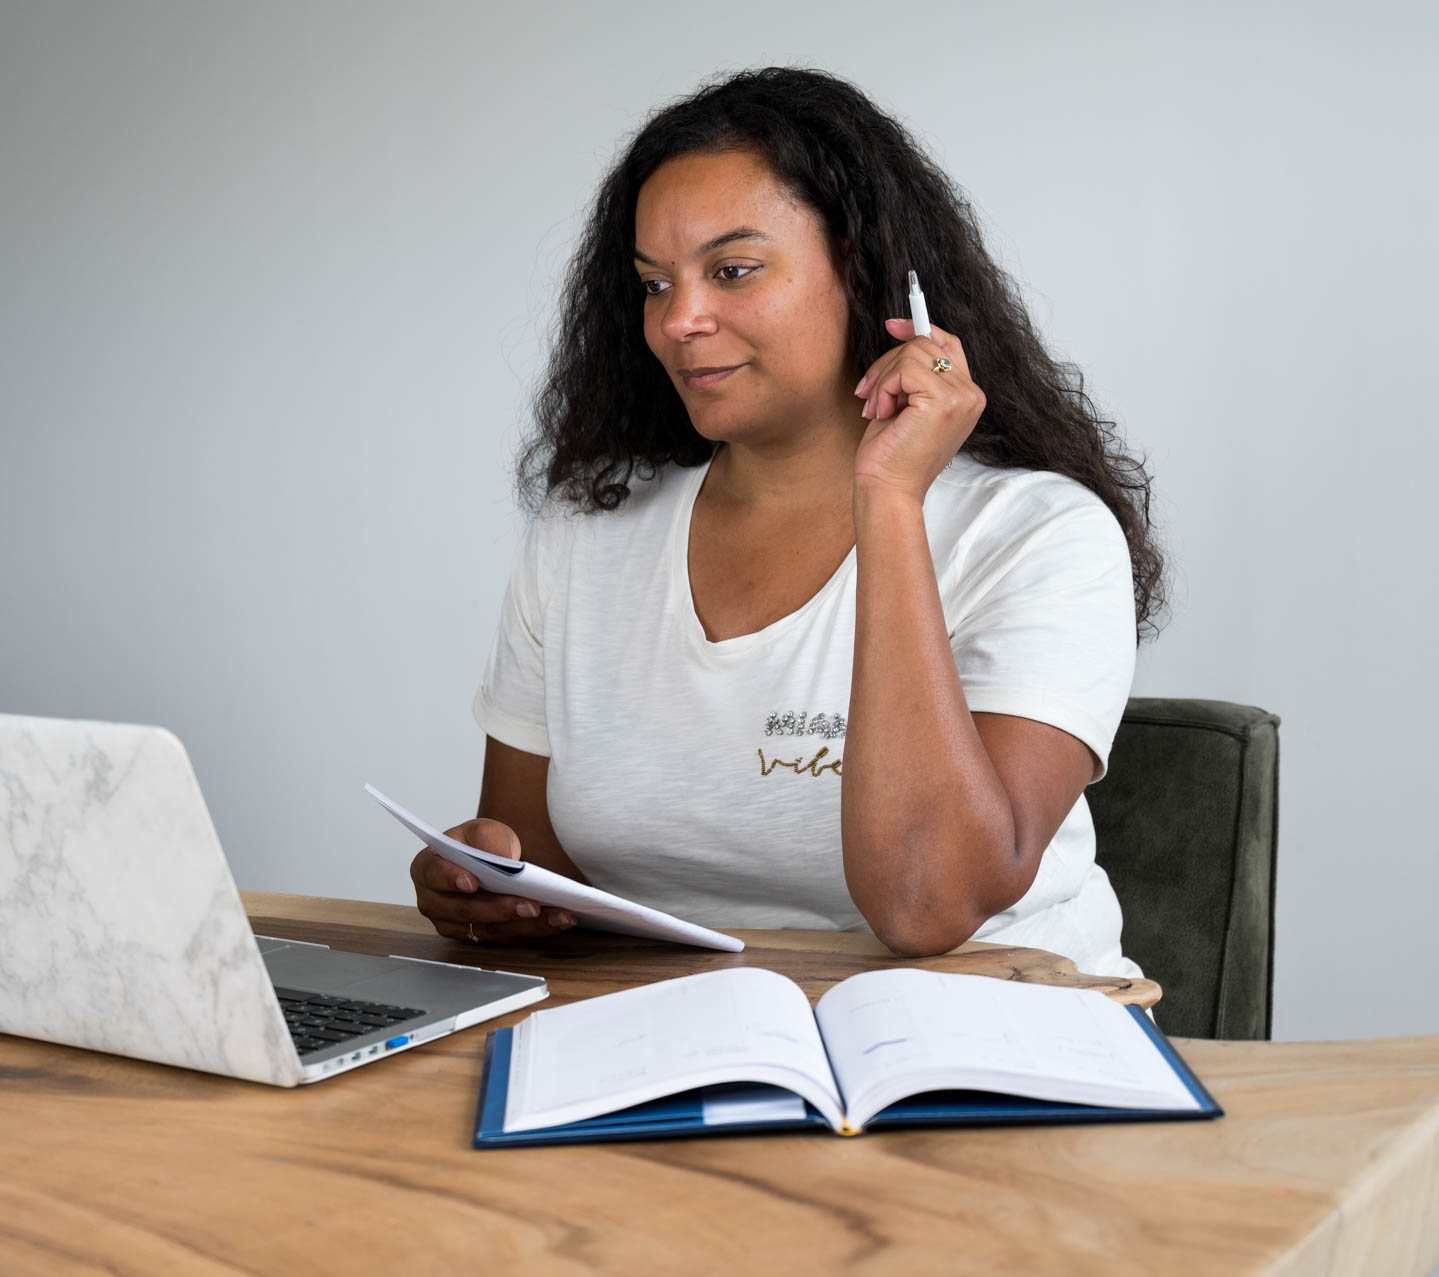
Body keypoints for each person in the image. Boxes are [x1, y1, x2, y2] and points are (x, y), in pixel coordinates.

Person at [407, 67, 1166, 981]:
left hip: (990, 1039)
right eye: (654, 283)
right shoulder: (583, 533)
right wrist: (485, 891)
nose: (679, 320)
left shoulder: (1041, 534)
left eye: (732, 271)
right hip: (680, 1036)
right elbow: (536, 868)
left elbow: (927, 902)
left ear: (862, 268)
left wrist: (889, 500)